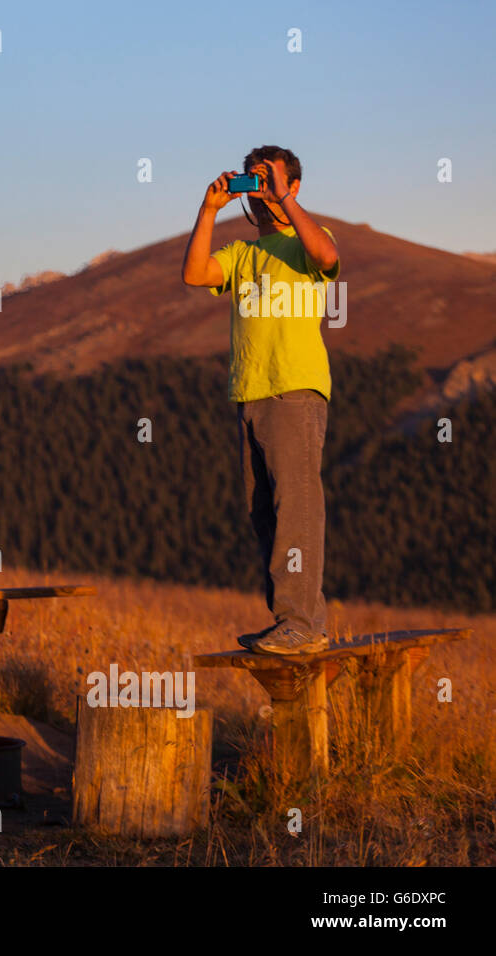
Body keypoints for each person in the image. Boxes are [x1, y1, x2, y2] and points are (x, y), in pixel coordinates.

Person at [181, 145, 340, 655]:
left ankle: (301, 623)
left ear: (293, 187)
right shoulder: (241, 254)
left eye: (268, 181)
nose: (260, 192)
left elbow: (328, 258)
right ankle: (292, 622)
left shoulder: (309, 242)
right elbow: (194, 274)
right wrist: (210, 209)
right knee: (263, 513)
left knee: (296, 505)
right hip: (249, 391)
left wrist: (284, 201)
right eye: (254, 183)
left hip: (295, 389)